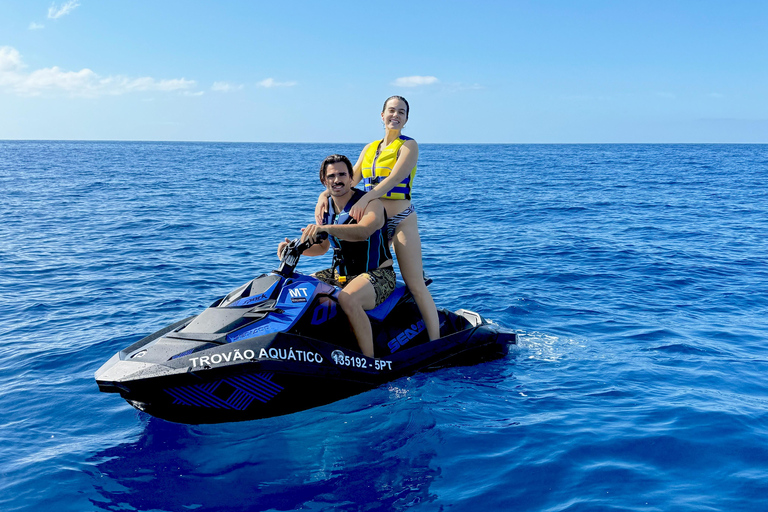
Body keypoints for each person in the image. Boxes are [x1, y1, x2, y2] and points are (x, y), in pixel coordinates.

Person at [314, 96, 440, 341]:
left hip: (400, 219)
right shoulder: (370, 148)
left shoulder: (408, 146)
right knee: (366, 269)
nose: (396, 115)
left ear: (406, 119)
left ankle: (436, 341)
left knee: (415, 283)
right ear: (381, 115)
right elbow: (349, 180)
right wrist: (323, 194)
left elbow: (393, 179)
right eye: (391, 110)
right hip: (374, 222)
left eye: (401, 112)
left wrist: (365, 198)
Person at [279, 154, 395, 358]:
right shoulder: (327, 209)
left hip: (377, 274)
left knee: (348, 299)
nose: (337, 180)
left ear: (351, 177)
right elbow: (322, 248)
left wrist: (327, 228)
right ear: (324, 181)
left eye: (342, 174)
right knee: (296, 288)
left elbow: (364, 231)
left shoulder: (371, 203)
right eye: (331, 176)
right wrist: (294, 249)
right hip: (340, 274)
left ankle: (369, 362)